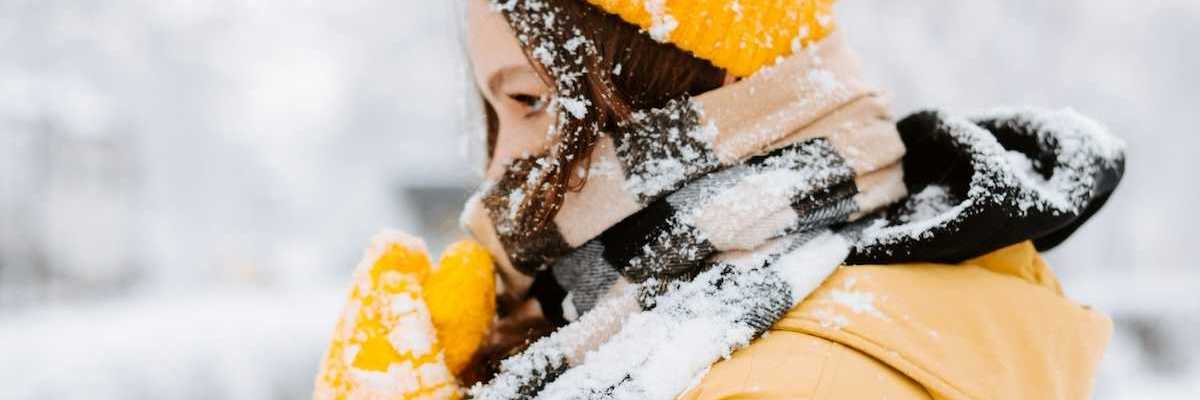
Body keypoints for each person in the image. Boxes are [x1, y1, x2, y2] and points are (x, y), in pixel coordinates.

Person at [316, 0, 1127, 399]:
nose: (500, 169)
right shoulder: (693, 323)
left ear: (687, 83)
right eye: (492, 115)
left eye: (528, 102)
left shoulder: (785, 385)